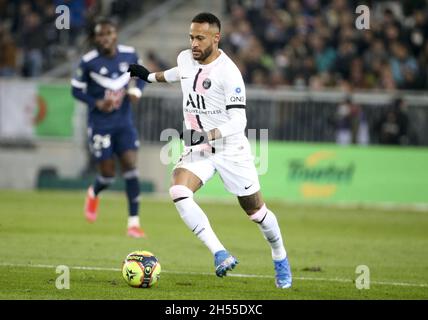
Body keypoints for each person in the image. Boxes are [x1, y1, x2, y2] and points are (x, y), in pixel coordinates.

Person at [128, 12, 292, 288]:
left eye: (200, 38)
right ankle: (220, 253)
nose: (194, 43)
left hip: (230, 148)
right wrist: (148, 77)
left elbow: (240, 121)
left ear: (216, 38)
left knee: (256, 212)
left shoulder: (229, 74)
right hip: (198, 148)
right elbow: (177, 74)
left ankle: (280, 256)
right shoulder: (185, 58)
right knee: (179, 191)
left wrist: (205, 134)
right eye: (191, 37)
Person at [71, 18, 146, 238]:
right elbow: (75, 91)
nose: (104, 38)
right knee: (108, 175)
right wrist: (96, 103)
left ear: (116, 34)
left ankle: (133, 223)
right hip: (100, 124)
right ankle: (94, 192)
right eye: (100, 35)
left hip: (124, 122)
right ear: (95, 38)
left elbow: (142, 75)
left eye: (109, 33)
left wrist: (136, 92)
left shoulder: (130, 54)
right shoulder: (88, 62)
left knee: (131, 167)